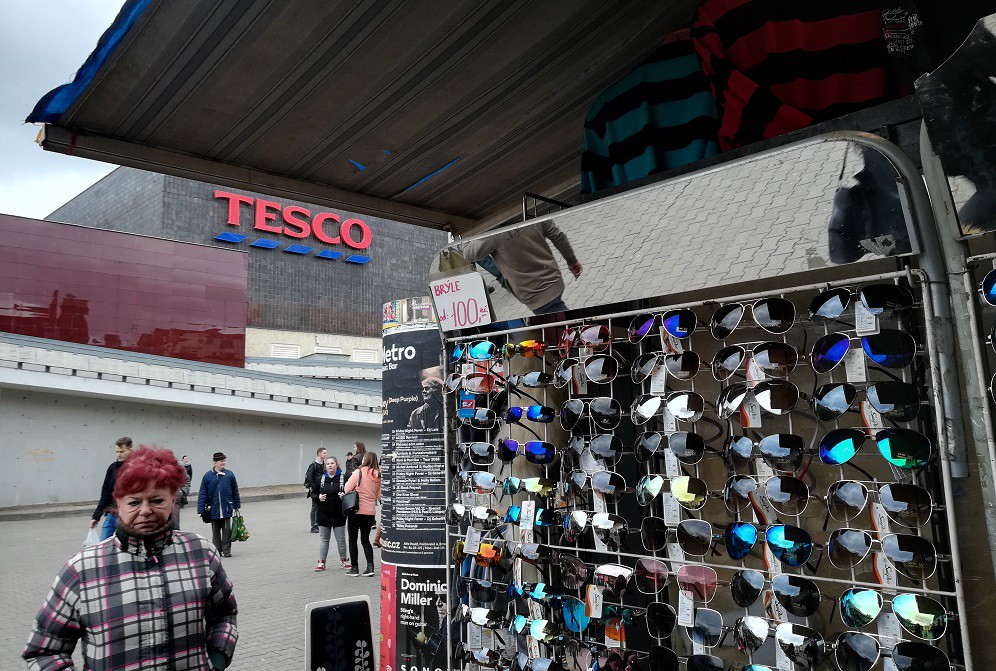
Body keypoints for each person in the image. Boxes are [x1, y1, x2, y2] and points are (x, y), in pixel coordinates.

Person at [24, 447, 238, 670]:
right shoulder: (82, 569)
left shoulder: (201, 552)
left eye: (157, 500)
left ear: (173, 501)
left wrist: (217, 660)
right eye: (134, 502)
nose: (145, 511)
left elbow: (224, 615)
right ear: (118, 504)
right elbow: (44, 652)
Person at [461, 220, 582, 315]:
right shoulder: (531, 206)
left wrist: (461, 231)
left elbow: (469, 253)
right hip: (554, 281)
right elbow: (558, 236)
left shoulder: (492, 231)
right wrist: (572, 261)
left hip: (535, 294)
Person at [343, 451, 382, 577]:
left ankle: (354, 568)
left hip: (356, 511)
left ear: (365, 459)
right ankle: (370, 567)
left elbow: (346, 489)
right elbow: (379, 494)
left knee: (352, 540)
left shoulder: (358, 472)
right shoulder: (378, 476)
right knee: (365, 540)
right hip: (369, 512)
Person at [197, 452, 241, 558]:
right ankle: (217, 550)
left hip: (226, 507)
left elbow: (235, 490)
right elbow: (202, 493)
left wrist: (236, 505)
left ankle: (226, 550)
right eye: (221, 461)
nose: (223, 463)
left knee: (227, 531)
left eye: (224, 460)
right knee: (215, 531)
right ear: (215, 462)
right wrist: (201, 508)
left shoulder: (229, 474)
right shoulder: (208, 476)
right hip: (214, 509)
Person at [88, 436, 133, 541]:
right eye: (117, 452)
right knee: (104, 544)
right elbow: (106, 493)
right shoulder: (112, 468)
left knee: (125, 545)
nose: (119, 455)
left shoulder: (137, 468)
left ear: (130, 450)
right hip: (113, 514)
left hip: (130, 516)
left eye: (122, 451)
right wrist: (96, 517)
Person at [312, 456, 349, 571]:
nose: (330, 465)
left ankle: (344, 561)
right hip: (323, 515)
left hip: (339, 514)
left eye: (332, 463)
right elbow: (313, 494)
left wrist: (344, 496)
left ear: (336, 465)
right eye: (328, 464)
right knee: (324, 539)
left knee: (341, 539)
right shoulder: (320, 479)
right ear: (325, 466)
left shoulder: (344, 478)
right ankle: (321, 562)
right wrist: (318, 497)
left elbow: (351, 492)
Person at [305, 447, 328, 533]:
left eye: (326, 453)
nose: (326, 454)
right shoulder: (314, 465)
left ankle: (318, 523)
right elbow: (309, 477)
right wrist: (314, 487)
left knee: (320, 507)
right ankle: (313, 525)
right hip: (315, 489)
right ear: (319, 454)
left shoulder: (324, 464)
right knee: (314, 507)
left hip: (321, 488)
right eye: (324, 453)